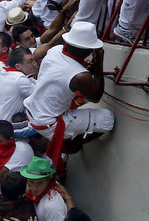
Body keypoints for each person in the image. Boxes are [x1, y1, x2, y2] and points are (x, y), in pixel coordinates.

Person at [23, 22, 114, 167]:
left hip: (33, 111)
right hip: (48, 122)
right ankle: (72, 146)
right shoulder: (80, 76)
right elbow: (96, 97)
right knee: (107, 119)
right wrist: (99, 64)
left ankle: (69, 136)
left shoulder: (56, 50)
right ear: (88, 49)